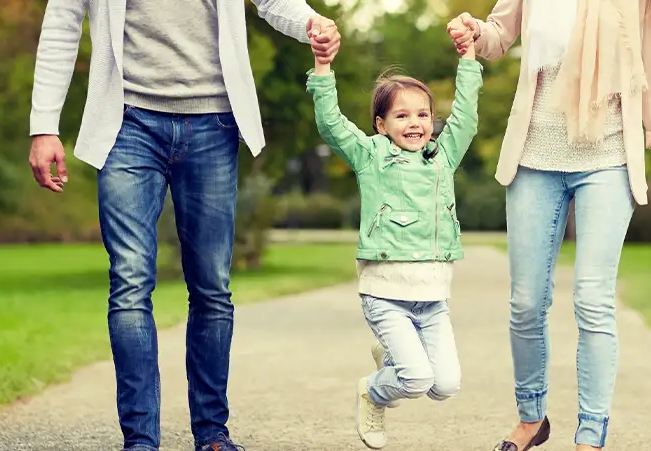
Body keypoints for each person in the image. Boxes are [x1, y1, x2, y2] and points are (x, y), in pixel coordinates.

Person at [26, 1, 340, 450]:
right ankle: (140, 440)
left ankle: (212, 433)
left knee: (212, 286)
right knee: (130, 282)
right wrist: (44, 124)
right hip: (126, 122)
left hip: (213, 122)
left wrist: (311, 22)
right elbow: (62, 20)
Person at [445, 0, 651, 450]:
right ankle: (532, 418)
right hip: (534, 155)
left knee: (593, 299)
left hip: (608, 156)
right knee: (526, 302)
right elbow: (498, 36)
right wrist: (474, 30)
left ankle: (590, 434)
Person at [304, 28, 483, 450]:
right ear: (381, 124)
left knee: (445, 386)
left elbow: (468, 116)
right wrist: (323, 67)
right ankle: (373, 390)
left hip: (433, 298)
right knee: (416, 378)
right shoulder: (370, 155)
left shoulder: (444, 155)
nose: (415, 123)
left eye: (422, 114)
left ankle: (392, 365)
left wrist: (469, 58)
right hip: (385, 292)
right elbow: (331, 124)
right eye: (401, 116)